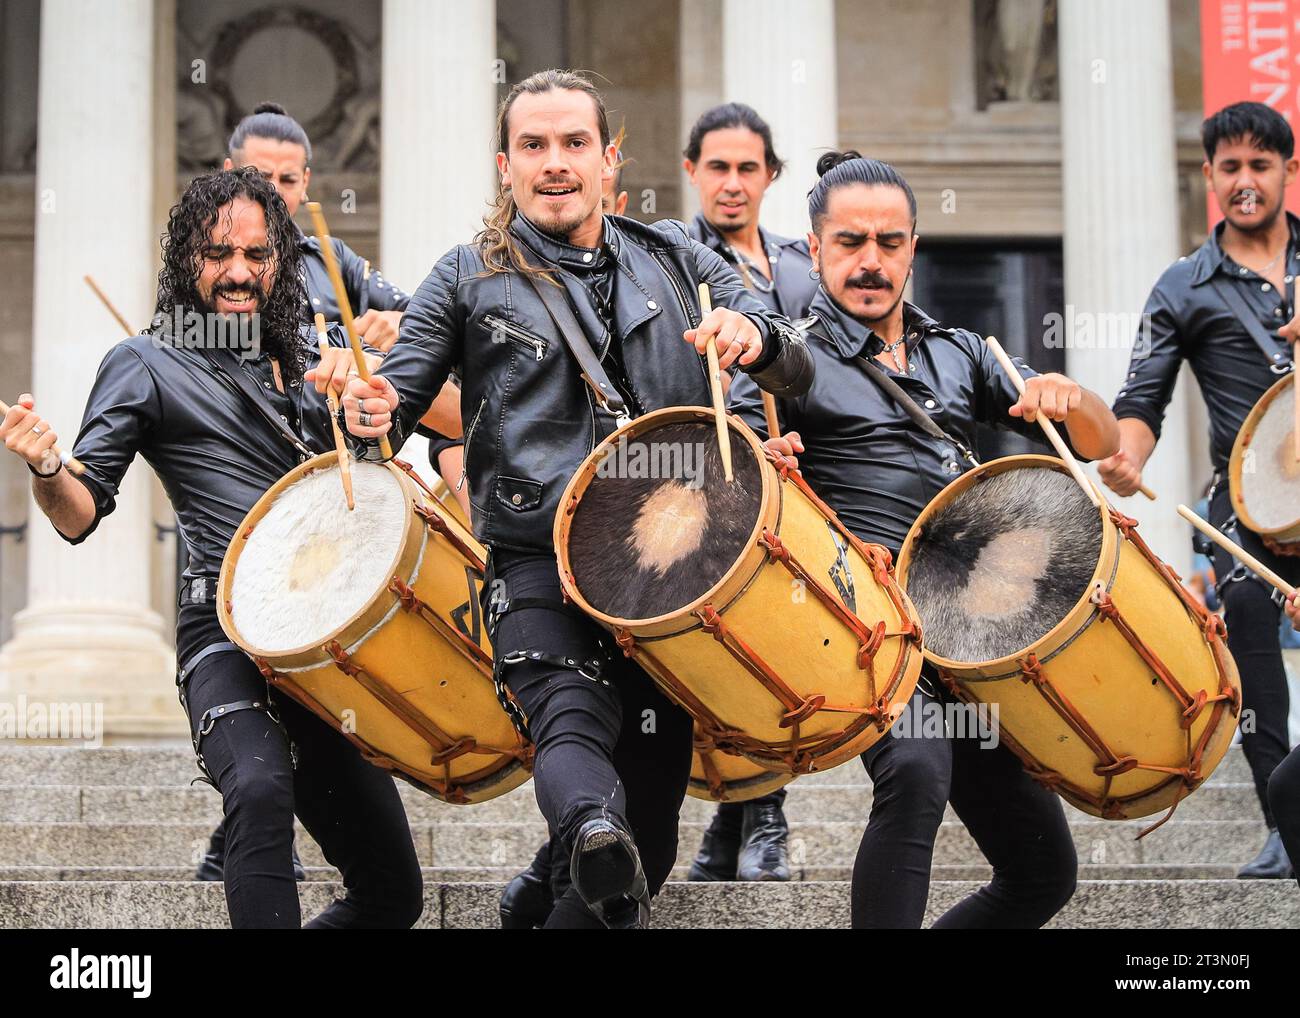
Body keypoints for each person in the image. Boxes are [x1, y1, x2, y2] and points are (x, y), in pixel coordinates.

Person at [341, 68, 813, 928]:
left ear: (608, 160)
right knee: (568, 722)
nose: (554, 163)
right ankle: (588, 824)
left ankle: (569, 868)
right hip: (534, 564)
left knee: (654, 836)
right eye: (533, 146)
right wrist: (365, 410)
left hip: (669, 577)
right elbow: (391, 406)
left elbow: (795, 360)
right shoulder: (463, 276)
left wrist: (758, 333)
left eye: (573, 144)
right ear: (505, 164)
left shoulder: (679, 255)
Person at [0, 168, 424, 928]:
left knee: (394, 894)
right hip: (222, 635)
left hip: (324, 647)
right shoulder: (144, 361)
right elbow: (79, 511)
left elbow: (375, 486)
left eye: (257, 255)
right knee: (260, 793)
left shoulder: (312, 357)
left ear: (280, 263)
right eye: (217, 251)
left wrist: (368, 415)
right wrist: (45, 467)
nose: (237, 272)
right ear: (185, 258)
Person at [729, 151, 1119, 927]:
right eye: (850, 243)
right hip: (871, 626)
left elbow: (1099, 440)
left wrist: (1068, 396)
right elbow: (735, 448)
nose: (871, 262)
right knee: (914, 768)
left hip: (972, 630)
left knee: (1044, 872)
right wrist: (755, 458)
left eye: (889, 242)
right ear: (815, 250)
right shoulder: (792, 357)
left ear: (912, 248)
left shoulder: (963, 352)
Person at [1098, 101, 1300, 879]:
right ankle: (1284, 822)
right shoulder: (1181, 286)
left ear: (1287, 171)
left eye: (1260, 164)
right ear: (1209, 176)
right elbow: (1141, 401)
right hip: (1244, 507)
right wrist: (1125, 458)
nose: (1245, 181)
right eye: (1230, 167)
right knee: (1248, 618)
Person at [681, 102, 819, 883]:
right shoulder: (666, 261)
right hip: (717, 482)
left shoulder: (804, 264)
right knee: (741, 650)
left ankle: (727, 831)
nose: (732, 184)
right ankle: (761, 815)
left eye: (747, 169)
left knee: (783, 652)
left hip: (806, 478)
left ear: (770, 176)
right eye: (717, 168)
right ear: (693, 172)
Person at [224, 101, 409, 349]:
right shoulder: (200, 258)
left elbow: (428, 318)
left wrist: (399, 322)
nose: (274, 191)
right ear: (228, 174)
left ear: (305, 182)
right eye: (260, 176)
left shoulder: (330, 256)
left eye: (288, 179)